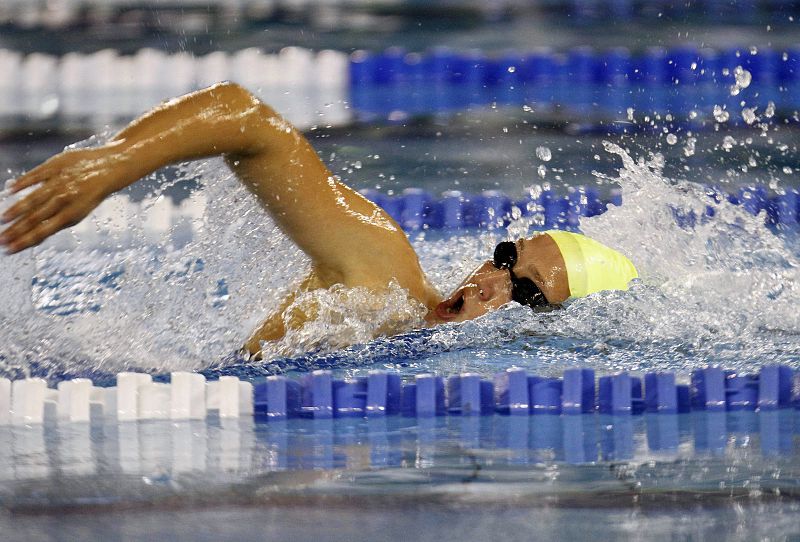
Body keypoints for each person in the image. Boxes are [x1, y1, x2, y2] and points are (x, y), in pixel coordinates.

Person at [0, 82, 637, 358]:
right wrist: (113, 165)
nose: (491, 285)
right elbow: (244, 116)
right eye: (505, 260)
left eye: (524, 293)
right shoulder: (382, 275)